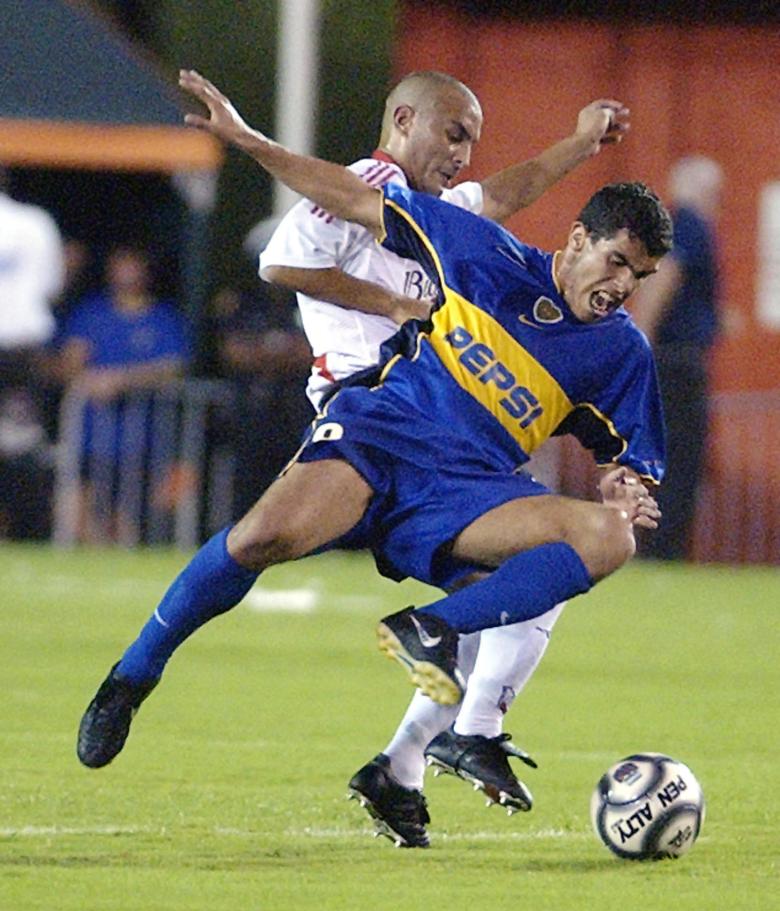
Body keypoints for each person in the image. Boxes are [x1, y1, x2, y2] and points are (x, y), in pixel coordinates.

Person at [77, 72, 668, 856]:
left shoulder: (620, 347)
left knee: (601, 542)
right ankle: (134, 673)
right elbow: (331, 224)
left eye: (640, 277)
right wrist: (251, 142)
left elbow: (632, 458)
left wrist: (627, 485)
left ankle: (432, 717)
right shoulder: (464, 240)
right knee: (258, 540)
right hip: (378, 425)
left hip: (470, 489)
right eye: (618, 263)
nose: (623, 287)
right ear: (577, 242)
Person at [258, 71, 630, 844]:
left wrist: (578, 143)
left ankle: (402, 767)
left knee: (525, 575)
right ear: (403, 118)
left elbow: (504, 192)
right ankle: (469, 733)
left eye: (471, 140)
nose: (464, 153)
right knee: (542, 556)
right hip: (382, 420)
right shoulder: (369, 186)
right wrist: (391, 303)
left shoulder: (427, 209)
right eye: (454, 133)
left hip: (432, 420)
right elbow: (282, 263)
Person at [56, 245, 190, 543]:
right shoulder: (91, 314)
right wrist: (86, 378)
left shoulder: (162, 318)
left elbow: (173, 366)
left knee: (128, 515)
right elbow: (70, 361)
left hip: (141, 438)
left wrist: (122, 381)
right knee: (78, 507)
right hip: (91, 435)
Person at [632, 155, 723, 560]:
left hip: (669, 358)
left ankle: (660, 548)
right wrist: (642, 342)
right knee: (681, 458)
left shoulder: (671, 226)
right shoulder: (690, 225)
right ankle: (664, 550)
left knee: (668, 457)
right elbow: (666, 278)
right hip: (676, 362)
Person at [0, 166, 65, 540]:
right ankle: (28, 532)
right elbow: (51, 286)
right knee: (24, 446)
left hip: (20, 354)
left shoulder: (33, 223)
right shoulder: (35, 223)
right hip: (24, 350)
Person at [214, 284, 312, 516]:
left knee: (298, 482)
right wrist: (277, 355)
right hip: (253, 413)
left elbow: (315, 352)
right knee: (249, 488)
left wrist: (269, 356)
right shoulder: (245, 303)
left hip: (297, 412)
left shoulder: (308, 300)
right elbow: (234, 352)